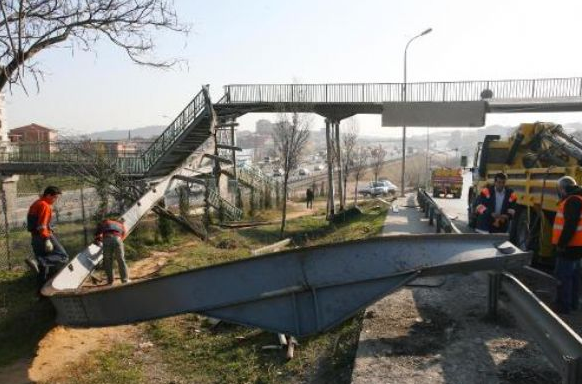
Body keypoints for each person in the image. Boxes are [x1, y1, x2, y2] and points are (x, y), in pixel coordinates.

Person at [27, 186, 69, 288]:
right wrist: (47, 239)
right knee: (63, 256)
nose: (55, 200)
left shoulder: (36, 203)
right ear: (48, 195)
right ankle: (38, 262)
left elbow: (34, 223)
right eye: (55, 197)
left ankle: (40, 293)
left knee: (43, 268)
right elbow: (42, 225)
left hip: (35, 238)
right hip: (43, 236)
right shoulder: (45, 205)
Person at [552, 176, 582, 314]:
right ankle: (573, 304)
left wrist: (561, 244)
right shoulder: (578, 198)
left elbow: (570, 225)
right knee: (574, 277)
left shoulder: (572, 200)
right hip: (577, 246)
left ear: (563, 189)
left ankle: (563, 306)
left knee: (564, 276)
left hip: (570, 246)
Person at [94, 216, 130, 284]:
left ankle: (110, 281)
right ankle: (125, 280)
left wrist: (99, 240)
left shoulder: (105, 223)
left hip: (107, 239)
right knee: (121, 259)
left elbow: (97, 234)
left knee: (108, 261)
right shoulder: (120, 225)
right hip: (118, 239)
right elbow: (124, 234)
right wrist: (118, 240)